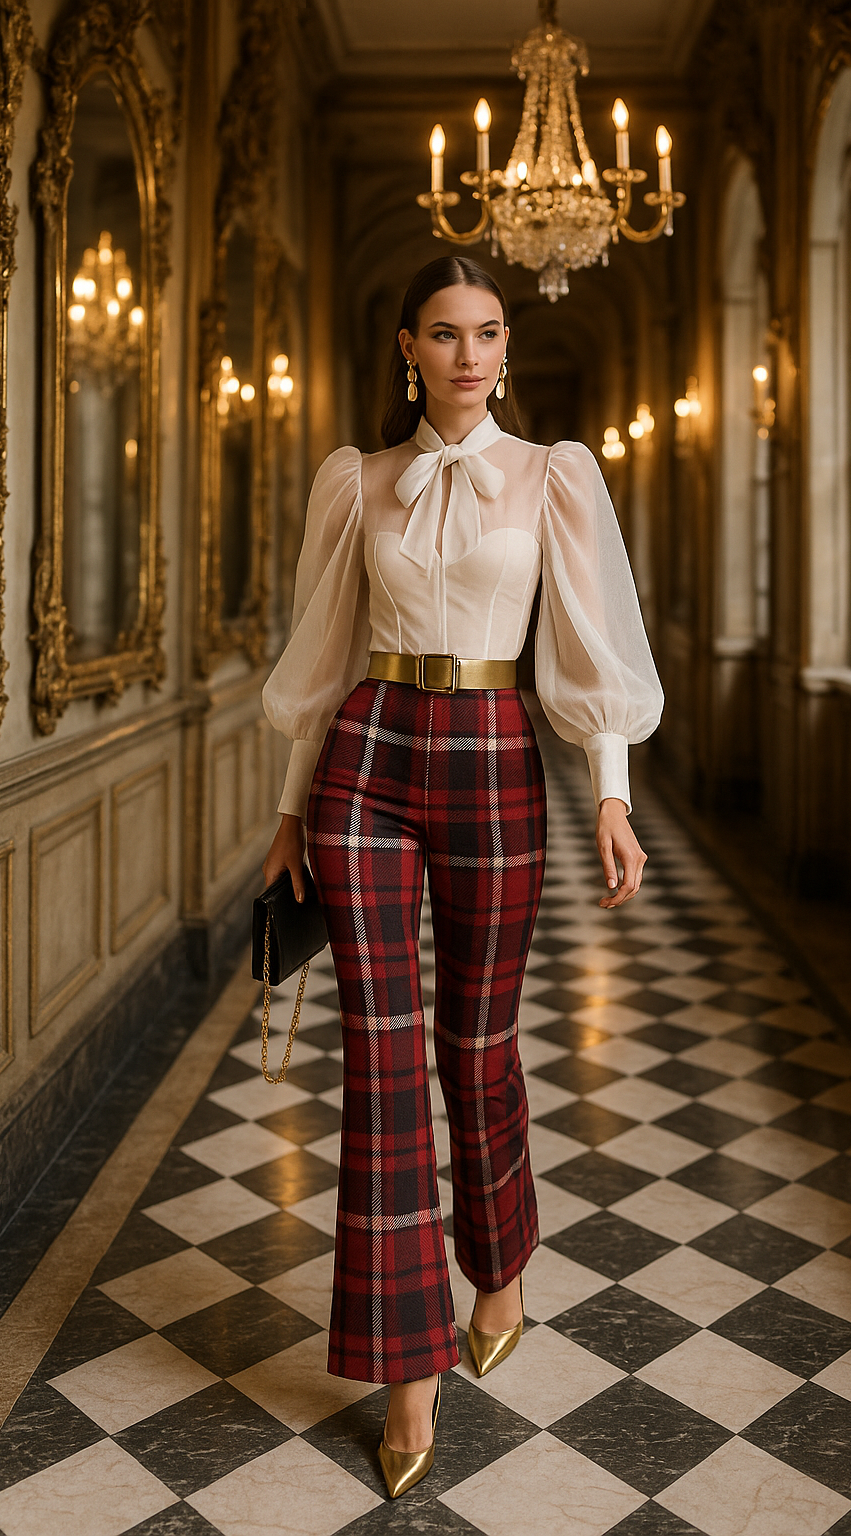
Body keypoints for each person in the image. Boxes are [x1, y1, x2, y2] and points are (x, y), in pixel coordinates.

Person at [261, 254, 663, 1498]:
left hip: (494, 755)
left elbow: (591, 638)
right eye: (446, 335)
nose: (470, 355)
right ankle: (407, 1368)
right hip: (367, 762)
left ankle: (500, 1267)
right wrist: (289, 812)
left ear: (503, 349)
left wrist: (610, 789)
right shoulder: (359, 481)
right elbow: (325, 653)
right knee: (382, 1064)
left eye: (488, 333)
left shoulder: (552, 476)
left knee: (474, 1048)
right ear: (408, 349)